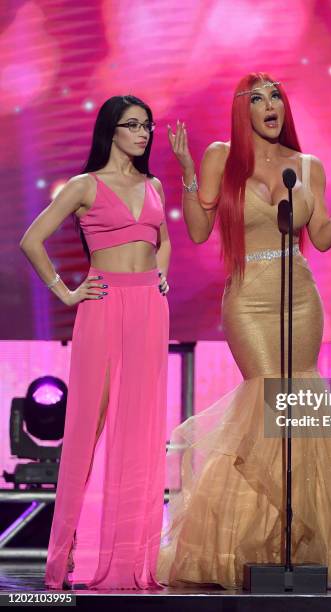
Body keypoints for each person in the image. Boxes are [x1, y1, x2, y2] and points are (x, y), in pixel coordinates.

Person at [157, 72, 331, 588]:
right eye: (258, 99)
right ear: (243, 111)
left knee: (298, 407)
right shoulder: (223, 156)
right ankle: (239, 543)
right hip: (248, 298)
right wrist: (187, 171)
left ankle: (289, 540)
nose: (270, 106)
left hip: (299, 297)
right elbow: (199, 234)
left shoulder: (307, 166)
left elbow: (325, 237)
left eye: (277, 98)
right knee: (267, 399)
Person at [20, 95, 171, 590]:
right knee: (87, 427)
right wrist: (64, 292)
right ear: (111, 131)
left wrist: (162, 274)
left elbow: (162, 237)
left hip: (149, 308)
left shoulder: (153, 186)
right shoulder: (86, 186)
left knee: (141, 432)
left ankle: (132, 559)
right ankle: (62, 557)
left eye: (147, 126)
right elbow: (31, 239)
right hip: (102, 307)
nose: (144, 133)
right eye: (134, 125)